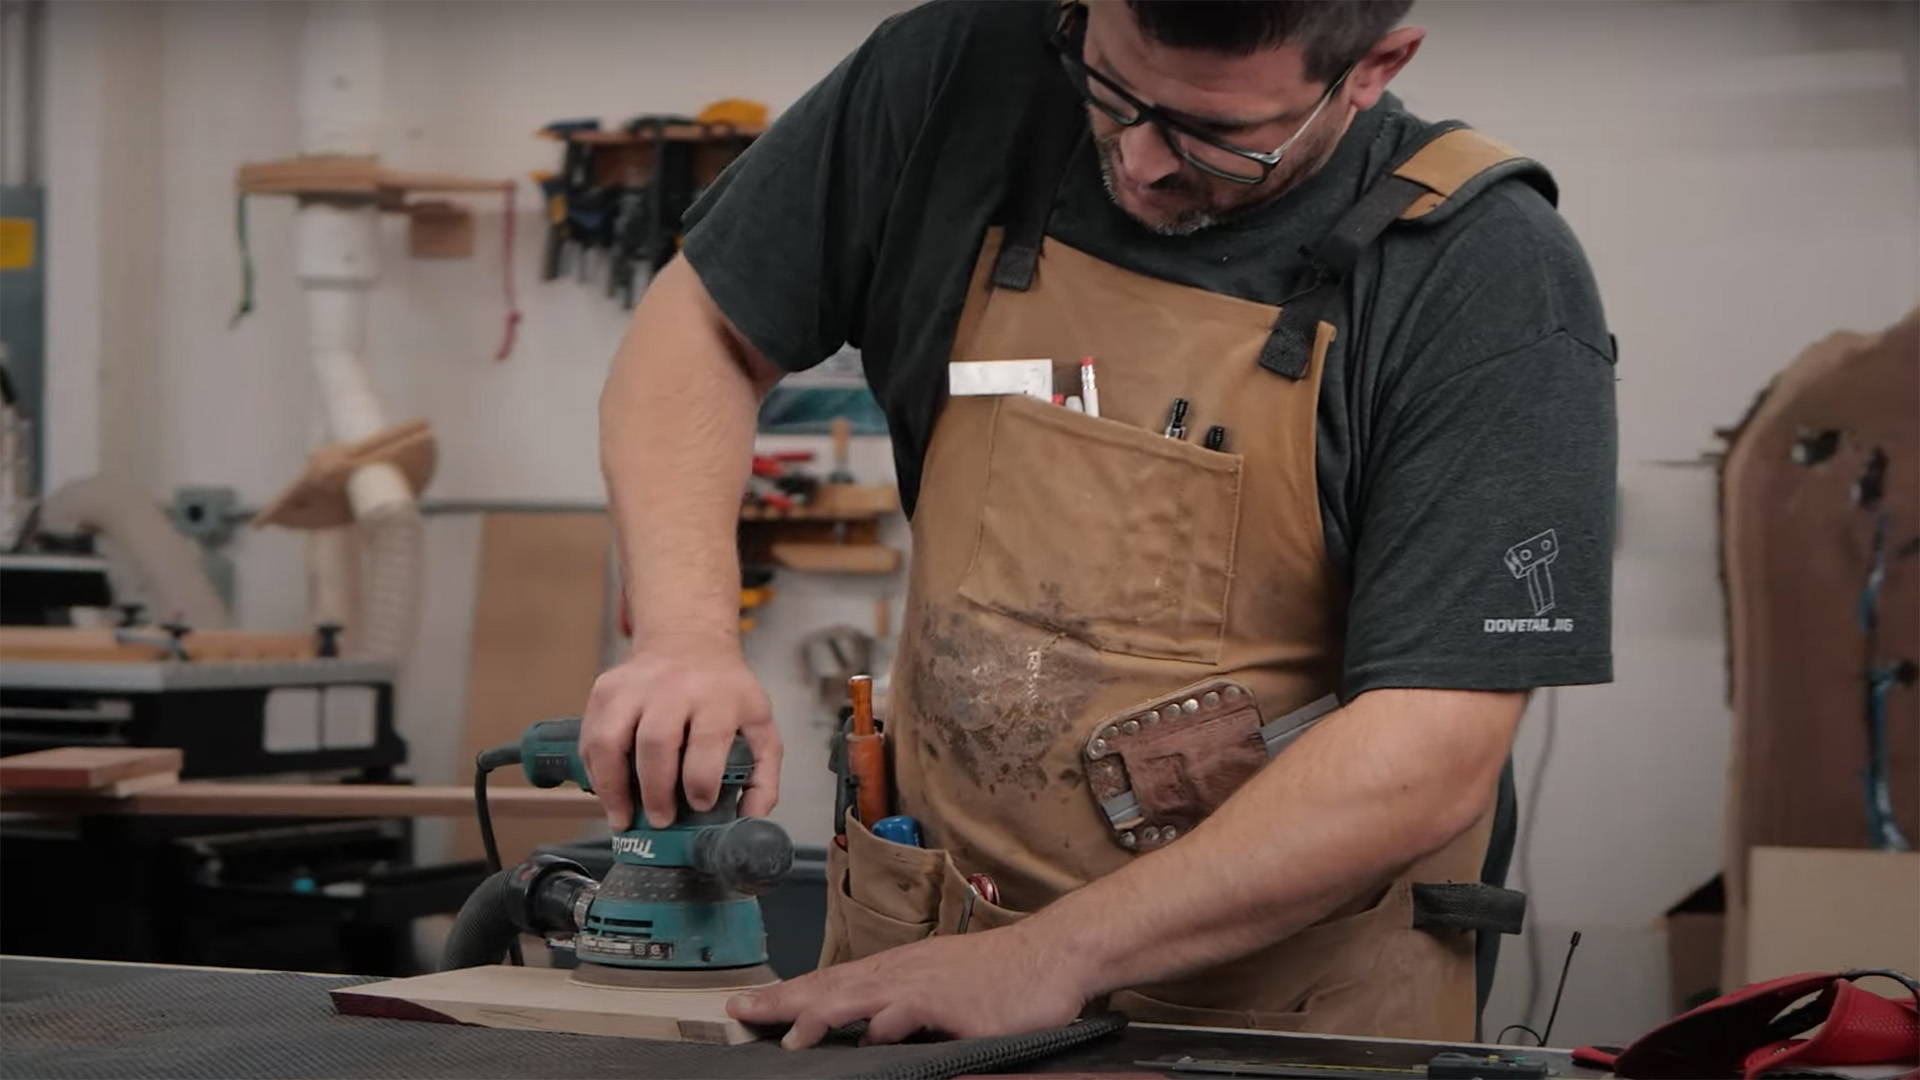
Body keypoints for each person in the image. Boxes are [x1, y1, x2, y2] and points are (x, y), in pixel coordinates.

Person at [585, 0, 1616, 1048]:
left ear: (1373, 67)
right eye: (1115, 92)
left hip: (1268, 1017)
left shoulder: (1486, 275)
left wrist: (1047, 957)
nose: (1142, 161)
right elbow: (702, 328)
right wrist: (684, 637)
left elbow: (1429, 749)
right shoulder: (957, 74)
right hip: (918, 963)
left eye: (1220, 139)